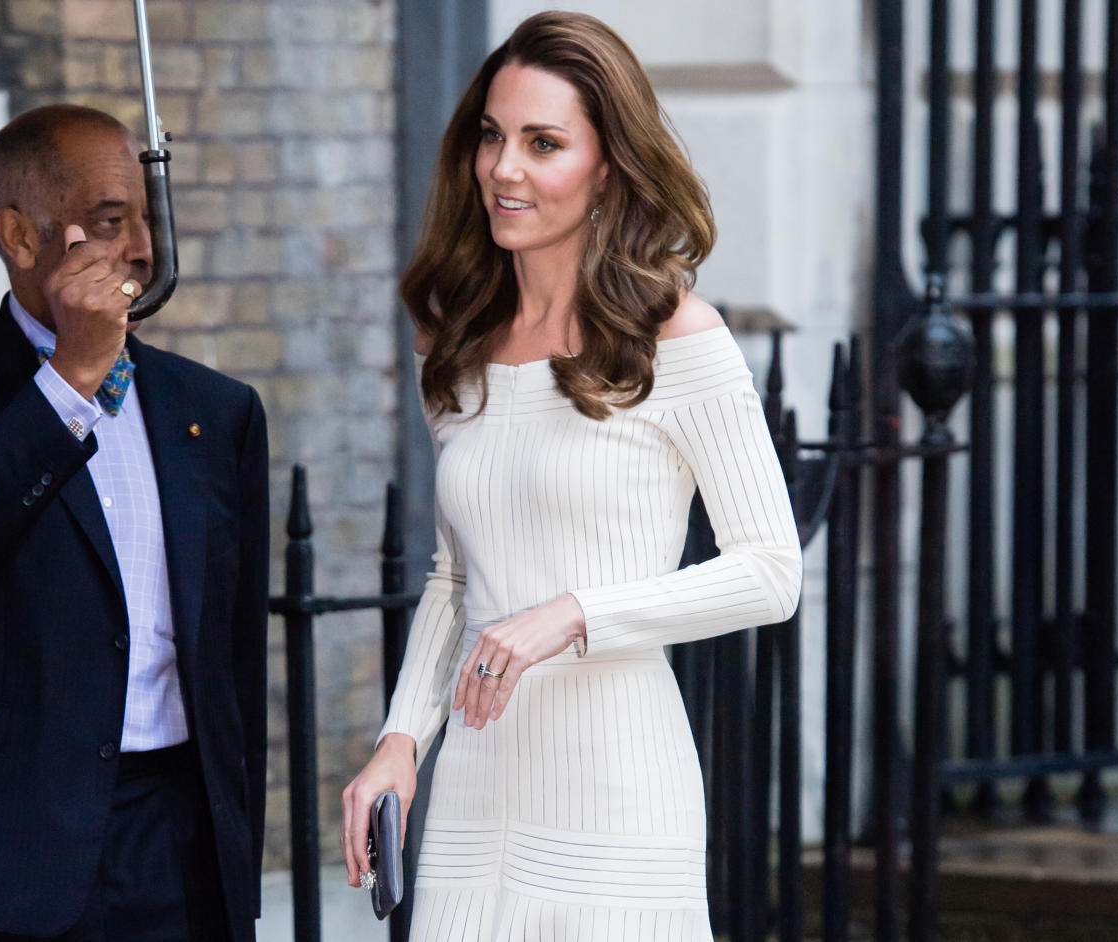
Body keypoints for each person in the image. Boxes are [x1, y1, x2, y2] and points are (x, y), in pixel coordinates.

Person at [341, 11, 801, 941]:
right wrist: (401, 740)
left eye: (542, 144)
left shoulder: (676, 335)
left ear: (608, 167)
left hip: (621, 793)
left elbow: (770, 571)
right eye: (492, 136)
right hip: (474, 792)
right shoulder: (459, 339)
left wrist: (574, 615)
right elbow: (457, 578)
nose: (503, 169)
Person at [0, 105, 268, 941]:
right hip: (0, 851)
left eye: (149, 218)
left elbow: (233, 662)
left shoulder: (215, 410)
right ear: (20, 235)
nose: (143, 248)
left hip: (176, 849)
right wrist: (70, 376)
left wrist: (235, 859)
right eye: (111, 222)